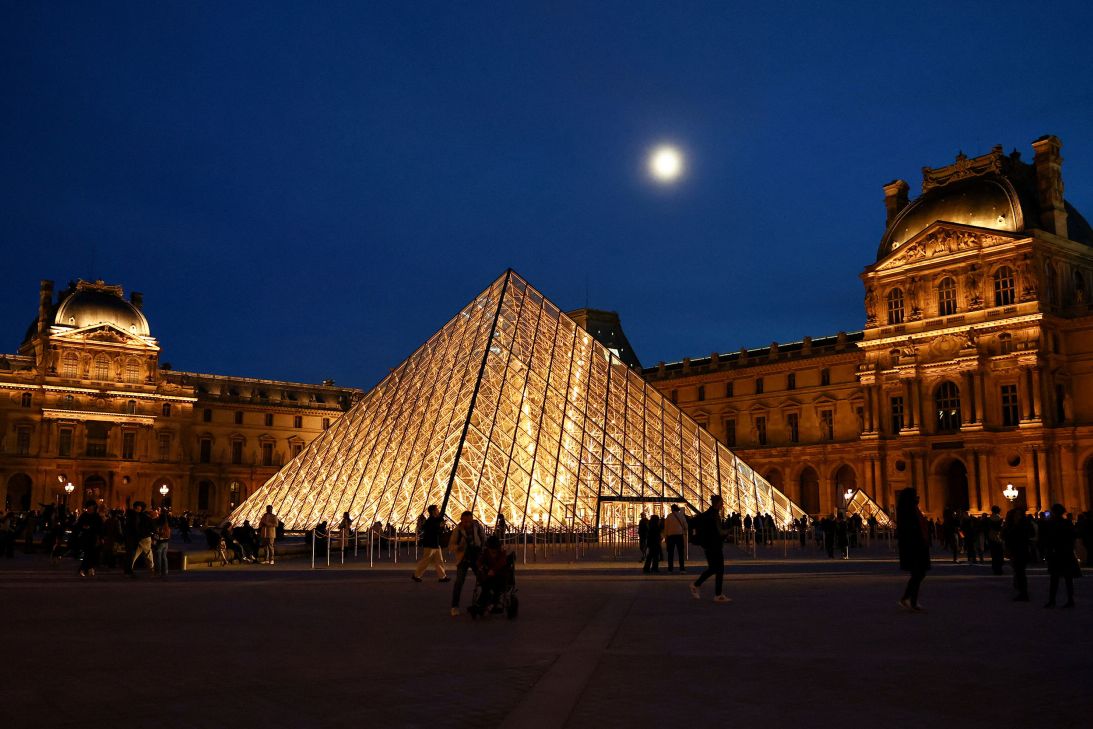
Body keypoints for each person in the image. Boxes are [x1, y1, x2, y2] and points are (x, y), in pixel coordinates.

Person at [690, 495, 730, 603]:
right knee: (719, 569)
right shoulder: (713, 515)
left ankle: (696, 585)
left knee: (713, 568)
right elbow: (719, 532)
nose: (723, 505)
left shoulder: (707, 514)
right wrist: (727, 532)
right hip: (714, 545)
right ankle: (718, 595)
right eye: (722, 503)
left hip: (708, 546)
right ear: (717, 504)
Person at [896, 488, 930, 612]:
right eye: (915, 496)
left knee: (918, 574)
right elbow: (910, 530)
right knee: (918, 574)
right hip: (914, 547)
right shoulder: (908, 511)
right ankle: (911, 601)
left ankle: (907, 599)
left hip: (918, 546)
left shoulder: (911, 509)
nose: (917, 497)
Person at [1040, 503, 1079, 608]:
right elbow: (1073, 536)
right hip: (1066, 553)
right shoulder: (1067, 523)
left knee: (1054, 579)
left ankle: (1052, 601)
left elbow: (1047, 540)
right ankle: (1070, 600)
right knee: (1068, 578)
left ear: (1053, 512)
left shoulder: (1050, 524)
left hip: (1055, 553)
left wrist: (1047, 553)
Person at [448, 510, 485, 616]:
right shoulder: (457, 530)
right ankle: (454, 606)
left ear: (472, 520)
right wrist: (458, 547)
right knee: (459, 583)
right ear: (461, 520)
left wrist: (482, 551)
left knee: (483, 580)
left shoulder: (477, 527)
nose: (468, 524)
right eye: (465, 521)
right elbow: (451, 545)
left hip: (476, 557)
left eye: (469, 521)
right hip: (463, 559)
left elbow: (483, 540)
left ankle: (482, 603)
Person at [412, 505, 449, 583]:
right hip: (430, 544)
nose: (438, 511)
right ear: (433, 511)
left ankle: (442, 577)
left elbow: (437, 531)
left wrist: (441, 526)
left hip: (435, 544)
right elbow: (433, 531)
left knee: (439, 561)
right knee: (426, 561)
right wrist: (440, 526)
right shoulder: (430, 520)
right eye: (437, 510)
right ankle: (416, 575)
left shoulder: (434, 520)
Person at [1003, 506, 1034, 601]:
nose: (1017, 516)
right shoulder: (1011, 525)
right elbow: (1006, 536)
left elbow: (1031, 534)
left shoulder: (1023, 524)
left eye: (1019, 514)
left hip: (1021, 550)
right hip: (1015, 550)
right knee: (1018, 571)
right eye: (1016, 514)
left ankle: (1023, 593)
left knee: (1020, 572)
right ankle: (1021, 590)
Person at [74, 500, 103, 577]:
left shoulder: (97, 516)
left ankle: (88, 568)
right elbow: (78, 526)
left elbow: (100, 528)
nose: (91, 508)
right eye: (90, 506)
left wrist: (100, 537)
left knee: (92, 554)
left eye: (92, 506)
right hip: (86, 537)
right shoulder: (84, 515)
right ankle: (84, 569)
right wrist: (83, 527)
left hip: (94, 537)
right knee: (87, 554)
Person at [128, 502, 156, 577]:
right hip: (145, 537)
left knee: (136, 554)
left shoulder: (134, 516)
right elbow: (153, 528)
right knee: (148, 553)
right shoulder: (146, 517)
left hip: (138, 537)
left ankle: (130, 568)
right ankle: (151, 568)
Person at [663, 504, 687, 573]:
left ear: (672, 509)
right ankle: (682, 569)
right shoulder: (681, 516)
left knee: (670, 553)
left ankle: (670, 569)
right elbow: (686, 526)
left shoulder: (669, 516)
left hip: (671, 537)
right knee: (680, 553)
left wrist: (665, 537)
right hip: (679, 536)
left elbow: (666, 528)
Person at [985, 505, 1005, 575]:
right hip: (998, 538)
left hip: (991, 537)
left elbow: (987, 530)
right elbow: (1002, 529)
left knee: (994, 555)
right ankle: (999, 569)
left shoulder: (989, 519)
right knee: (999, 554)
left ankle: (995, 569)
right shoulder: (1000, 519)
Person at [153, 509, 171, 577]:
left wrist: (156, 536)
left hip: (160, 542)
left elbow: (157, 534)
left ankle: (158, 572)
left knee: (158, 557)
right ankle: (165, 571)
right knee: (164, 557)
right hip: (166, 543)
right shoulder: (167, 525)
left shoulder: (160, 526)